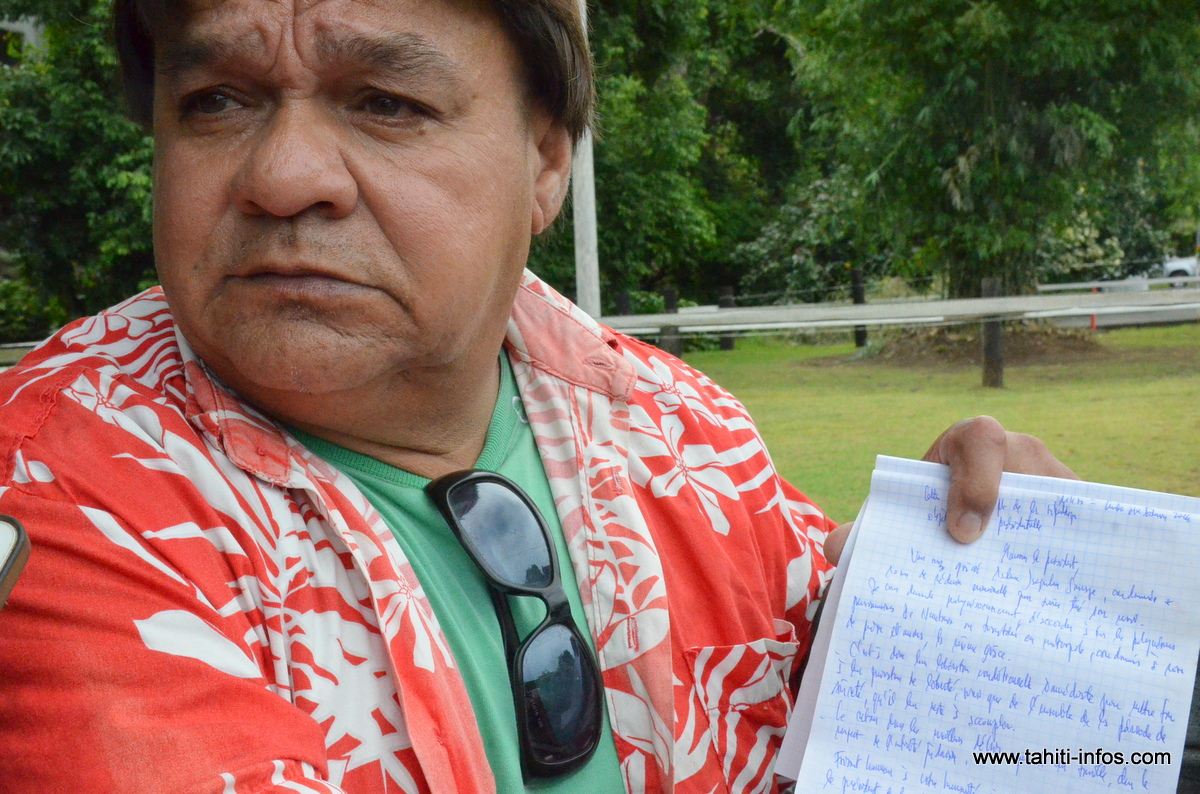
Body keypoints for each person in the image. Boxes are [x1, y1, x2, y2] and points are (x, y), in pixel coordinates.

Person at [0, 1, 1075, 792]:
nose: (283, 176)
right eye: (217, 100)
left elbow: (827, 680)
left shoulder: (675, 426)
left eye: (386, 103)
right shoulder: (52, 494)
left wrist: (951, 577)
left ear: (547, 161)